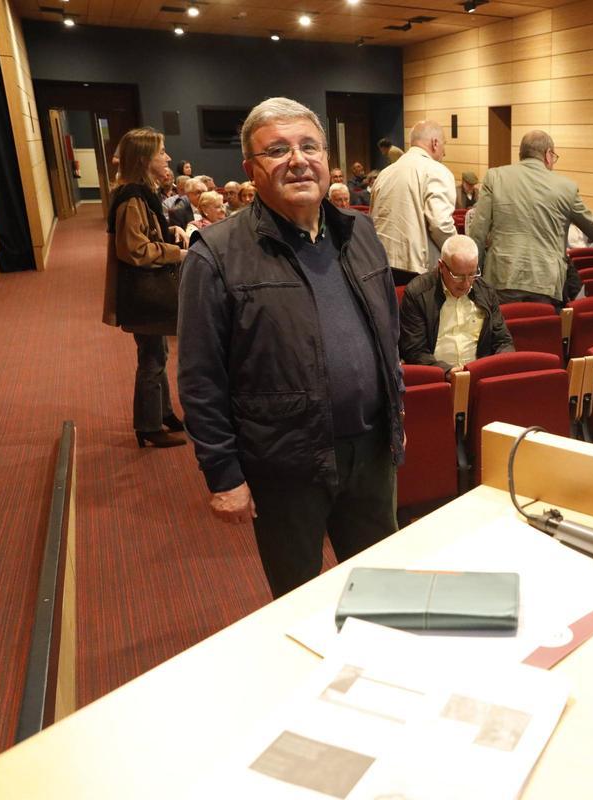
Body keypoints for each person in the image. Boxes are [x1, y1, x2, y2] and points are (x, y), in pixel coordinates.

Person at [178, 97, 404, 599]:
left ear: (327, 159)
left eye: (309, 146)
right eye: (277, 150)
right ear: (250, 170)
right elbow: (200, 378)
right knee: (299, 599)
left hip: (370, 455)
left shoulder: (361, 232)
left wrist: (395, 412)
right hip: (286, 464)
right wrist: (223, 473)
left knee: (380, 589)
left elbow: (387, 334)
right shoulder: (216, 255)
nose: (298, 160)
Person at [103, 127, 187, 449]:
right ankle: (148, 426)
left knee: (158, 353)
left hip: (146, 291)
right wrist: (176, 253)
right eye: (161, 152)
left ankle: (162, 413)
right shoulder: (132, 198)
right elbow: (134, 250)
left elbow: (144, 234)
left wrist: (169, 231)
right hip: (144, 292)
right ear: (143, 159)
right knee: (151, 359)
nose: (167, 157)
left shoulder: (141, 193)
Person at [468, 130, 593, 308]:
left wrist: (474, 275)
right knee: (540, 325)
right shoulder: (566, 187)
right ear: (548, 155)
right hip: (546, 280)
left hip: (502, 275)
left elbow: (478, 231)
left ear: (522, 154)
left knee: (504, 325)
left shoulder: (495, 177)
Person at [399, 235, 514, 375]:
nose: (466, 283)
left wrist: (499, 366)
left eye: (472, 274)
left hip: (479, 375)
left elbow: (503, 341)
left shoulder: (485, 291)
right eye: (458, 276)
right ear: (441, 266)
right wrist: (447, 371)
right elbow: (414, 350)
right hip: (438, 377)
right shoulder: (418, 293)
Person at [371, 120, 456, 276]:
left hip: (380, 264)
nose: (444, 152)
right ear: (435, 143)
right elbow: (440, 225)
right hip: (415, 268)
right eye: (444, 144)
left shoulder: (384, 174)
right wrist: (456, 252)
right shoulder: (437, 171)